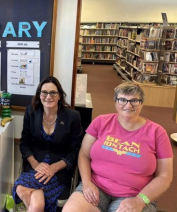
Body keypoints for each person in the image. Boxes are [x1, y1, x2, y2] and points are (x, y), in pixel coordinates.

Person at [63, 82, 173, 212]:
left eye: (134, 101)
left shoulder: (157, 132)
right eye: (122, 100)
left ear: (141, 103)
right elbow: (84, 154)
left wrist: (140, 200)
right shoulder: (100, 122)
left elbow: (165, 175)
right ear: (115, 102)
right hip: (96, 186)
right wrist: (86, 183)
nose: (128, 105)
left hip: (136, 194)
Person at [13, 76, 83, 212]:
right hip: (35, 167)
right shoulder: (31, 112)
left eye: (53, 93)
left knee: (33, 201)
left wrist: (54, 168)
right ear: (39, 95)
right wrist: (36, 164)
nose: (48, 96)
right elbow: (24, 144)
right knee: (28, 196)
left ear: (59, 96)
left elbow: (75, 151)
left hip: (59, 170)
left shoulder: (72, 116)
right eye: (44, 92)